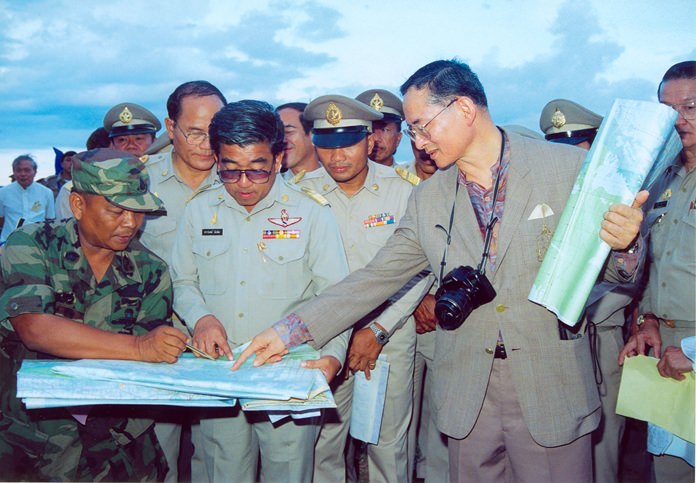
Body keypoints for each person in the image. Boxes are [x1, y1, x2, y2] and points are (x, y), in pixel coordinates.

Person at [235, 59, 646, 482]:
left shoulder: (564, 170)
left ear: (464, 110)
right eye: (412, 129)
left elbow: (614, 272)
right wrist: (288, 331)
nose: (418, 140)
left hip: (549, 388)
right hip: (468, 396)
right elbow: (375, 278)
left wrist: (626, 245)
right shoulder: (428, 198)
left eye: (422, 125)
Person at [171, 100, 350, 483]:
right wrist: (200, 317)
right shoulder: (199, 211)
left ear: (280, 158)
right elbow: (183, 281)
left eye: (257, 171)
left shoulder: (311, 214)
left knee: (287, 472)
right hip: (221, 371)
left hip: (288, 372)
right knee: (223, 472)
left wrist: (333, 358)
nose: (244, 184)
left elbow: (336, 296)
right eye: (230, 172)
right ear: (216, 159)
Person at [0, 148, 188, 481]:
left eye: (138, 212)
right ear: (78, 205)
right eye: (116, 211)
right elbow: (35, 329)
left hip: (119, 441)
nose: (130, 224)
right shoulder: (31, 245)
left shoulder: (150, 271)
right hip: (34, 440)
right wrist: (139, 347)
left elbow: (151, 364)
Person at [298, 94, 430, 483]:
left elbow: (420, 269)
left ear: (370, 141)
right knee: (323, 446)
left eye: (349, 144)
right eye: (326, 145)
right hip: (325, 339)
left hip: (388, 336)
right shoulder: (301, 194)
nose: (337, 157)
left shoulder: (404, 191)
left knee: (388, 446)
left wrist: (377, 330)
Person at [541, 97, 635, 483]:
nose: (570, 159)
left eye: (578, 146)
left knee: (604, 445)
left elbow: (632, 273)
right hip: (554, 340)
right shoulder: (547, 196)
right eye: (558, 149)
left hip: (602, 335)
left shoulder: (624, 197)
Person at [139, 80, 226, 483]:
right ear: (170, 128)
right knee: (159, 452)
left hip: (222, 337)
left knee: (221, 452)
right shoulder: (140, 183)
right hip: (156, 338)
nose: (207, 143)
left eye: (216, 130)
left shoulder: (241, 181)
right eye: (194, 132)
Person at [619, 60, 696, 483]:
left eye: (690, 107)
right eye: (668, 112)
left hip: (691, 348)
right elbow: (657, 262)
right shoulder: (662, 180)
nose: (678, 121)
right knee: (670, 472)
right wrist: (648, 318)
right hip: (666, 351)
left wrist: (693, 350)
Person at [56, 102, 161, 219]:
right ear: (112, 145)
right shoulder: (77, 189)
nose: (131, 146)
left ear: (155, 141)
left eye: (139, 139)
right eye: (122, 140)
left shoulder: (170, 178)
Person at [0, 154, 55, 244]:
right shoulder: (3, 192)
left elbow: (50, 220)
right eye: (19, 170)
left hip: (37, 244)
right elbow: (1, 219)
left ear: (35, 172)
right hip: (9, 243)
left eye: (27, 170)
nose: (23, 174)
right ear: (13, 172)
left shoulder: (46, 193)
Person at [356, 89, 404, 167]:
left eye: (384, 130)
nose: (376, 138)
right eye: (370, 129)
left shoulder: (405, 179)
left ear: (398, 138)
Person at [276, 102, 321, 180]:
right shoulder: (269, 187)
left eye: (288, 132)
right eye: (276, 134)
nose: (281, 140)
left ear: (313, 135)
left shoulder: (341, 182)